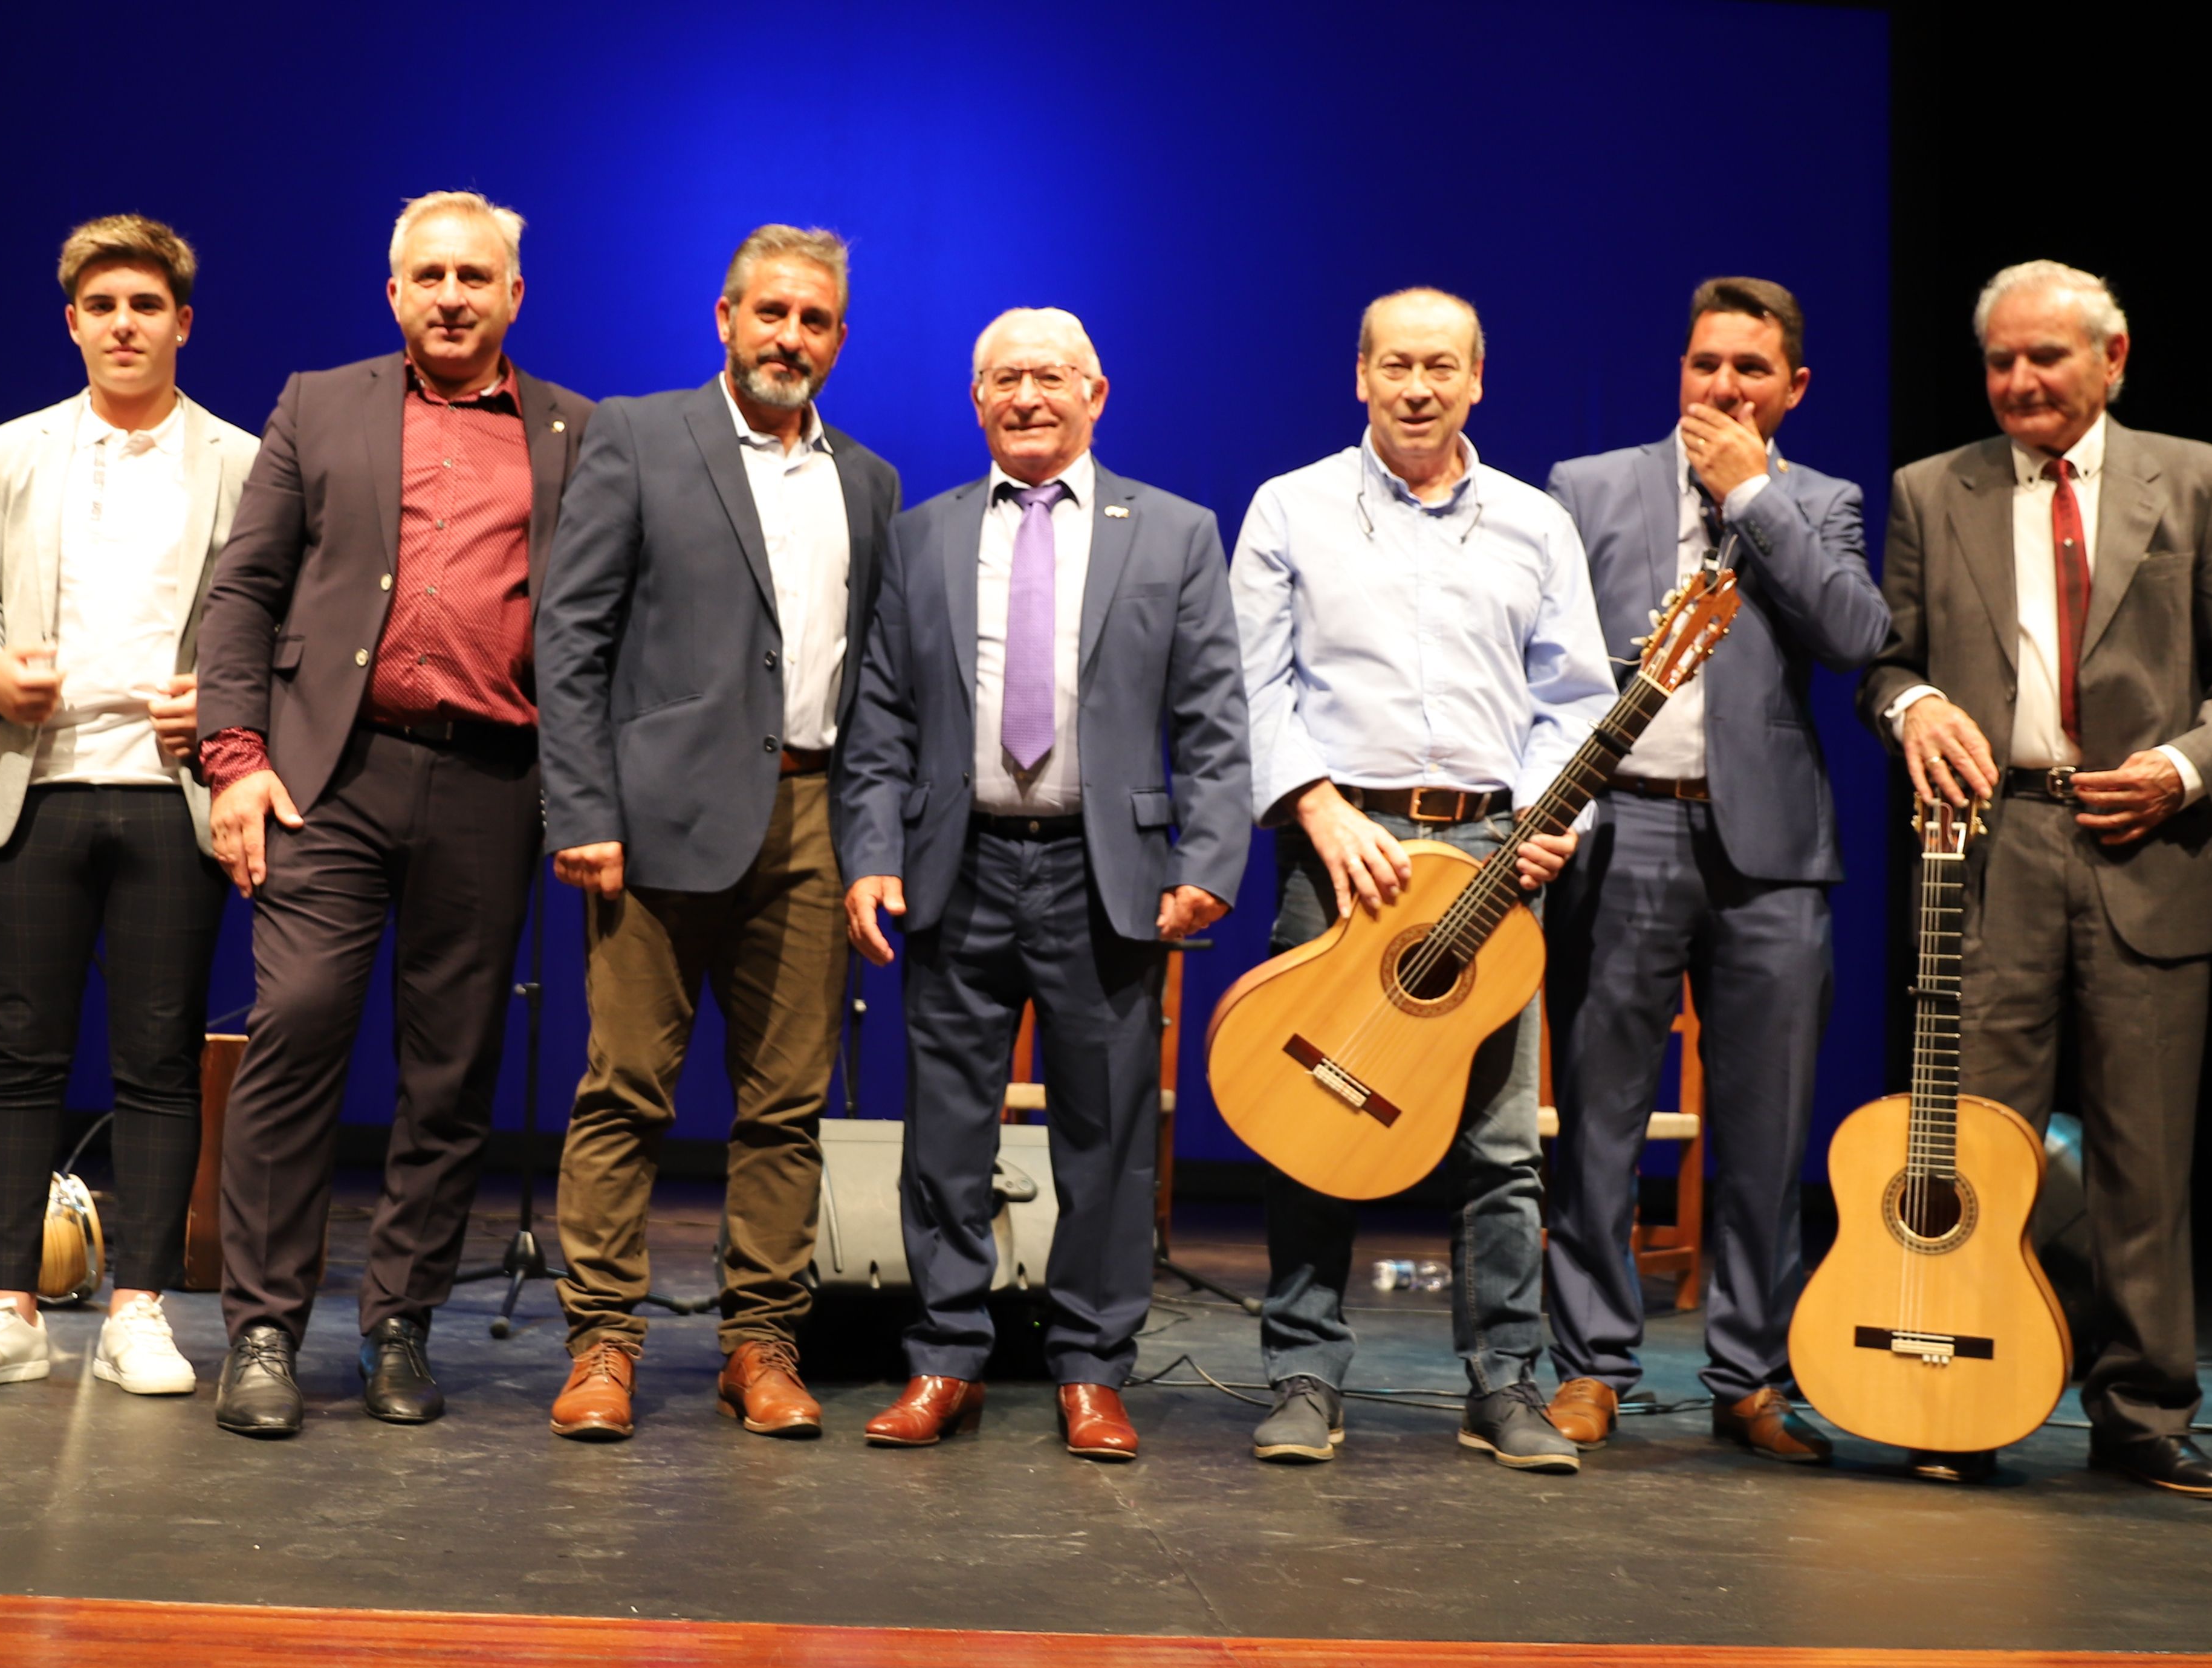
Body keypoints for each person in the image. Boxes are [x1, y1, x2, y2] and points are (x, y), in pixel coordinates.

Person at [1861, 259, 2212, 1493]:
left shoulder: (2202, 480)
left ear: (2113, 359)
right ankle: (1953, 1396)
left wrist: (2183, 766)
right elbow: (1881, 664)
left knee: (2141, 1154)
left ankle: (2143, 1411)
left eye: (2044, 358)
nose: (2019, 382)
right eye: (2000, 360)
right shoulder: (1929, 491)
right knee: (1976, 1149)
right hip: (1991, 853)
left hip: (2144, 844)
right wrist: (1919, 704)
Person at [190, 192, 592, 1440]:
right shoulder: (322, 403)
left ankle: (401, 1321)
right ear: (394, 292)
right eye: (430, 274)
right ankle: (262, 1328)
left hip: (491, 782)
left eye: (477, 275)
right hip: (330, 776)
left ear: (515, 295)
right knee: (297, 1029)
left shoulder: (575, 430)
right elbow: (245, 589)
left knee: (450, 1068)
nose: (453, 294)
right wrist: (235, 758)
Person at [837, 308, 1250, 1459]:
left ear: (1097, 394)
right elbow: (879, 717)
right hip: (950, 872)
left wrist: (1210, 860)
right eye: (1004, 379)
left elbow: (1216, 720)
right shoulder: (920, 537)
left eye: (1050, 378)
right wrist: (869, 852)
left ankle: (1090, 1370)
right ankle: (944, 1359)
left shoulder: (1172, 533)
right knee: (944, 1137)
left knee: (1107, 1140)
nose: (1027, 397)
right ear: (976, 400)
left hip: (1102, 876)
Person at [1228, 287, 1614, 1469]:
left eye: (1441, 366)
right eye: (1396, 365)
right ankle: (1303, 1375)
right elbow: (1254, 686)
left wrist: (1552, 823)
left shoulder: (1534, 523)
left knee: (1501, 1145)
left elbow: (1578, 697)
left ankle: (1505, 1384)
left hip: (1494, 849)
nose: (1418, 386)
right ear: (1360, 375)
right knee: (1316, 1116)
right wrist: (1320, 808)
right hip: (1343, 845)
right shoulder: (1292, 509)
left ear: (1477, 379)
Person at [533, 226, 899, 1441]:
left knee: (786, 1106)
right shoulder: (641, 436)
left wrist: (869, 837)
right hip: (649, 822)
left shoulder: (868, 480)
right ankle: (602, 1347)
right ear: (725, 319)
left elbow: (877, 686)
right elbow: (570, 638)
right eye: (770, 314)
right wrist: (581, 809)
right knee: (626, 1089)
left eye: (813, 320)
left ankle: (762, 1345)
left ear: (839, 339)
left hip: (812, 816)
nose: (788, 337)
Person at [1541, 277, 1890, 1465]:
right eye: (1704, 366)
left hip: (1772, 850)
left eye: (1750, 370)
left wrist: (1752, 491)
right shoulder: (1588, 490)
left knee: (1765, 1122)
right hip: (1622, 825)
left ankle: (1749, 1375)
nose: (1722, 389)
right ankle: (1590, 1364)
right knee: (1597, 1115)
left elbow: (1855, 635)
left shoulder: (1823, 501)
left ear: (1793, 388)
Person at [0, 216, 254, 1400]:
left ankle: (141, 1311)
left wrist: (221, 697)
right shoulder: (13, 450)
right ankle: (4, 1307)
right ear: (72, 322)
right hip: (35, 784)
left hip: (171, 798)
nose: (123, 324)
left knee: (160, 1058)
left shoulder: (241, 459)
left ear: (182, 324)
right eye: (101, 306)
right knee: (19, 1055)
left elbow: (271, 620)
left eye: (145, 306)